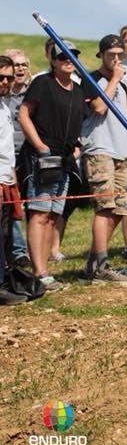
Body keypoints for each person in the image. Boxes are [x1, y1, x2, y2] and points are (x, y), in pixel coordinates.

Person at [17, 40, 86, 291]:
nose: (68, 59)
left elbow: (81, 122)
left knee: (53, 215)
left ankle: (44, 271)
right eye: (62, 56)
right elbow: (24, 114)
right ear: (53, 61)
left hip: (65, 160)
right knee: (39, 212)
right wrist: (39, 146)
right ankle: (39, 272)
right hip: (42, 158)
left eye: (72, 55)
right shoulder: (42, 83)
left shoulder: (78, 90)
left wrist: (77, 148)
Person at [79, 35, 127, 284]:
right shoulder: (92, 79)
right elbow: (99, 107)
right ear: (101, 55)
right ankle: (100, 265)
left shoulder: (121, 84)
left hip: (122, 151)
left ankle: (94, 261)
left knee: (121, 209)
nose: (116, 59)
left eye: (119, 55)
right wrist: (114, 79)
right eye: (111, 55)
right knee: (105, 207)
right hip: (100, 149)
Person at [0, 56, 28, 304]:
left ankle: (6, 279)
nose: (6, 81)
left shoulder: (4, 107)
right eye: (1, 77)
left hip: (7, 178)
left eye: (9, 77)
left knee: (6, 231)